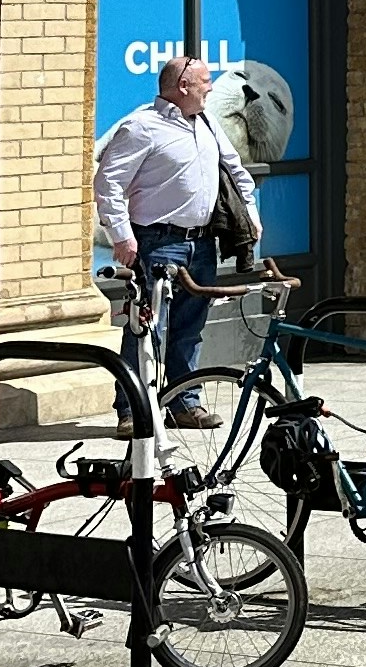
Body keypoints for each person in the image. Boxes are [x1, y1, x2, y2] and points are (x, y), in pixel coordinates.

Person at [93, 49, 264, 418]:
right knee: (147, 330)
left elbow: (235, 170)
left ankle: (184, 403)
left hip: (202, 243)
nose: (212, 87)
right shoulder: (141, 126)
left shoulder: (205, 122)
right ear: (183, 86)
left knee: (189, 329)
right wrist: (122, 237)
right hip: (157, 243)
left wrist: (249, 213)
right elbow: (108, 182)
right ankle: (132, 411)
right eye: (205, 82)